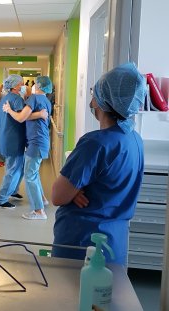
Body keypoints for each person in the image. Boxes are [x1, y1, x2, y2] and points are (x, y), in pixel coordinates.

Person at [51, 63, 146, 265]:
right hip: (114, 241)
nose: (91, 100)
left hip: (83, 243)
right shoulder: (134, 139)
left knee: (77, 295)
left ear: (103, 101)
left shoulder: (95, 143)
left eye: (94, 93)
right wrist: (75, 188)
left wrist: (75, 188)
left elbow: (58, 195)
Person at [3, 76, 52, 220]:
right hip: (42, 141)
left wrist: (9, 110)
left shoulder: (34, 99)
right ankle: (42, 199)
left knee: (30, 175)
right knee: (34, 173)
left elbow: (20, 118)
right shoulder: (46, 100)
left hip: (36, 143)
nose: (26, 86)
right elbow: (34, 116)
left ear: (38, 86)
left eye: (33, 84)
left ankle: (38, 211)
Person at [0, 74, 27, 209]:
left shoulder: (4, 98)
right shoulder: (17, 99)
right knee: (12, 170)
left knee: (19, 167)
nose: (23, 86)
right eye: (21, 84)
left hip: (6, 136)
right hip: (13, 138)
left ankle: (13, 190)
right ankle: (0, 200)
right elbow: (22, 117)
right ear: (15, 86)